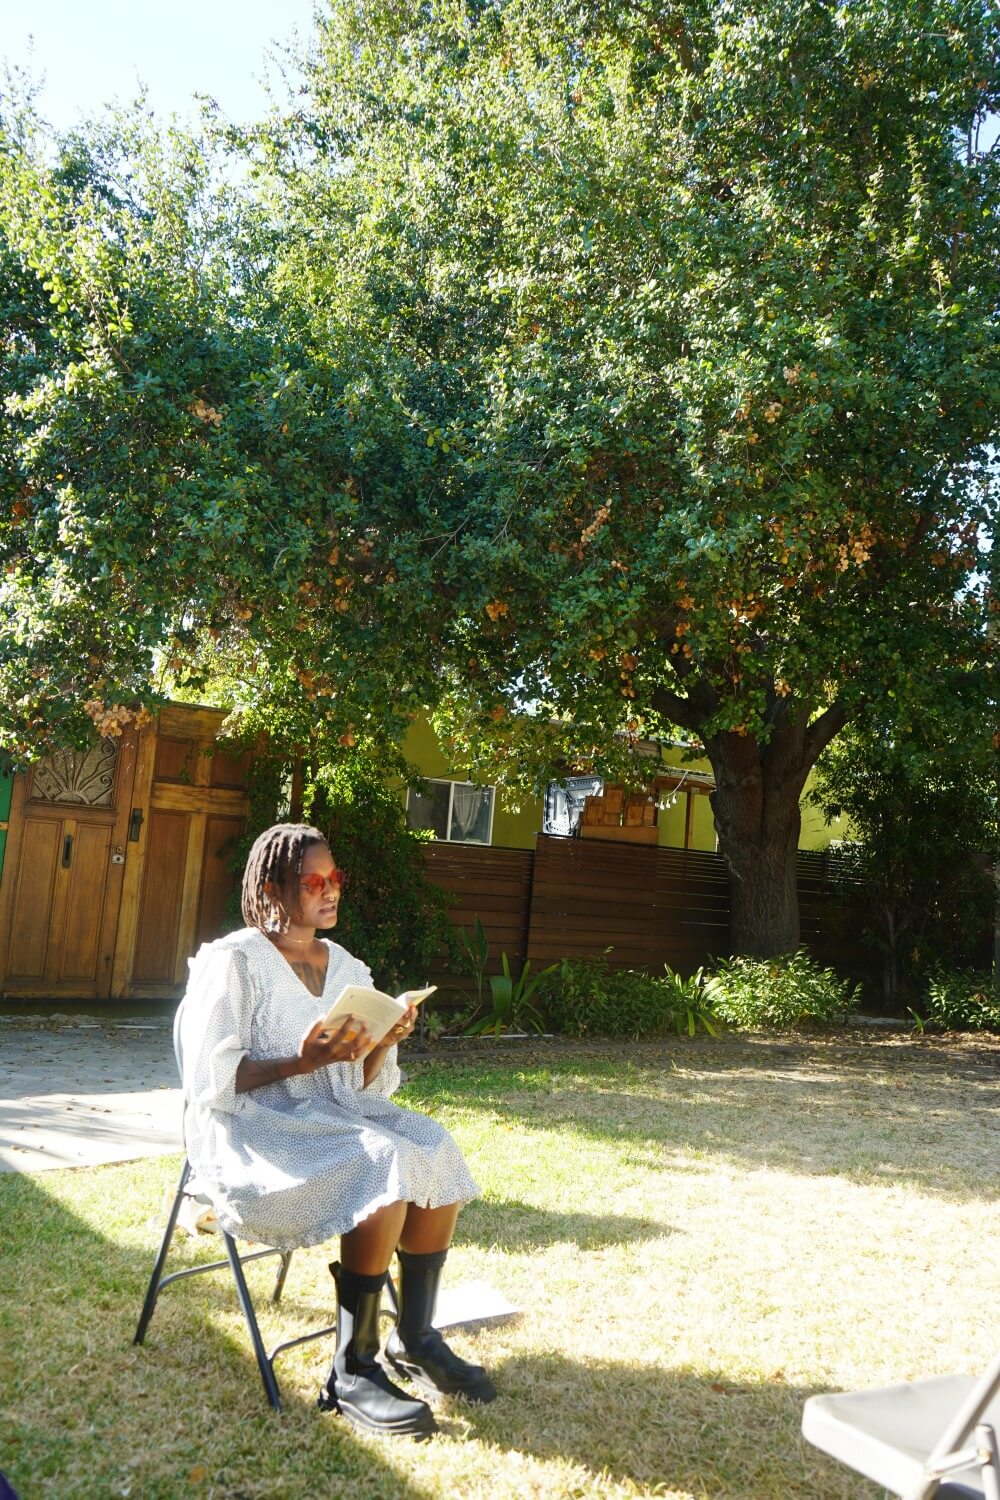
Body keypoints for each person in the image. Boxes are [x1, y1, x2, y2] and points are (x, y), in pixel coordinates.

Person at [176, 822, 496, 1438]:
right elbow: (211, 1080)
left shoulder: (347, 964)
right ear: (271, 889)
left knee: (432, 1144)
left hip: (337, 1113)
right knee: (380, 1159)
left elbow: (364, 1085)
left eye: (336, 878)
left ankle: (415, 1337)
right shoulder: (233, 961)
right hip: (258, 1130)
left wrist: (383, 1041)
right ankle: (352, 1369)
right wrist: (301, 1063)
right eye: (313, 882)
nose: (331, 891)